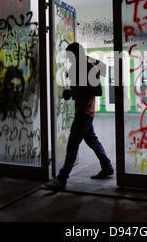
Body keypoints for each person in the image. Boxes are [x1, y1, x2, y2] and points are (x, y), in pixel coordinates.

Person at [45, 42, 114, 189]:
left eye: (70, 56)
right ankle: (107, 167)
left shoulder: (89, 67)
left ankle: (62, 179)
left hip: (84, 112)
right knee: (92, 141)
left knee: (72, 146)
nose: (69, 59)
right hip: (83, 111)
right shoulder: (81, 66)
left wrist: (73, 93)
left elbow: (98, 91)